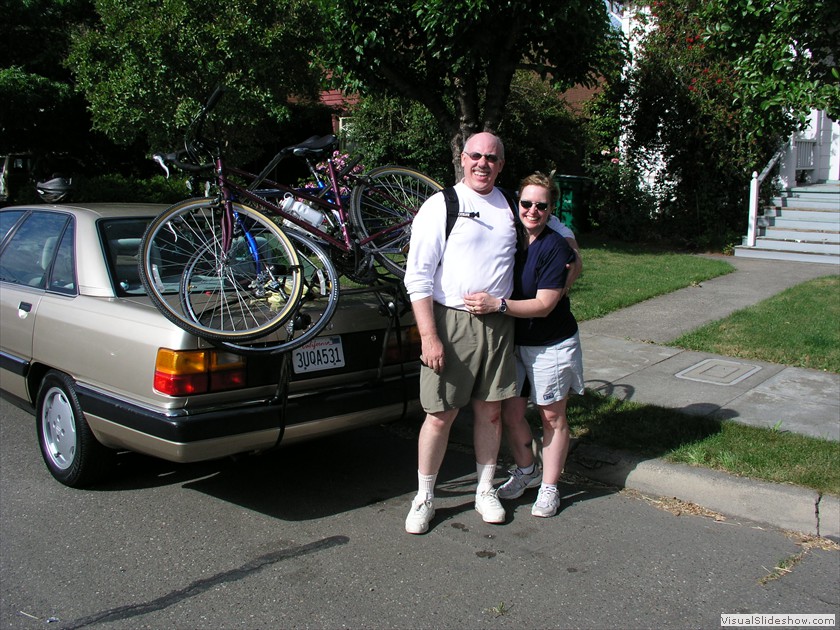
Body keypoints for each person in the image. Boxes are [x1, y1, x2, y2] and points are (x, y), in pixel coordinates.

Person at [402, 132, 518, 534]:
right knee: (440, 415)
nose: (483, 163)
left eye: (491, 157)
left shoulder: (510, 205)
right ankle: (425, 497)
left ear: (501, 164)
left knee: (491, 410)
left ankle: (485, 490)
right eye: (475, 156)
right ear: (462, 159)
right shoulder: (442, 205)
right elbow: (417, 278)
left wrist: (571, 255)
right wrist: (429, 336)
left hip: (499, 325)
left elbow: (550, 228)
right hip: (450, 323)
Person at [463, 172, 584, 518]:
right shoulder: (511, 237)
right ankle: (527, 470)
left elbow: (545, 305)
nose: (532, 210)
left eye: (541, 206)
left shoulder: (555, 245)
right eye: (526, 203)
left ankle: (550, 488)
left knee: (551, 416)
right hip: (516, 341)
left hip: (552, 343)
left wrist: (496, 305)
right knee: (511, 412)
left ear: (551, 210)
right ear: (517, 203)